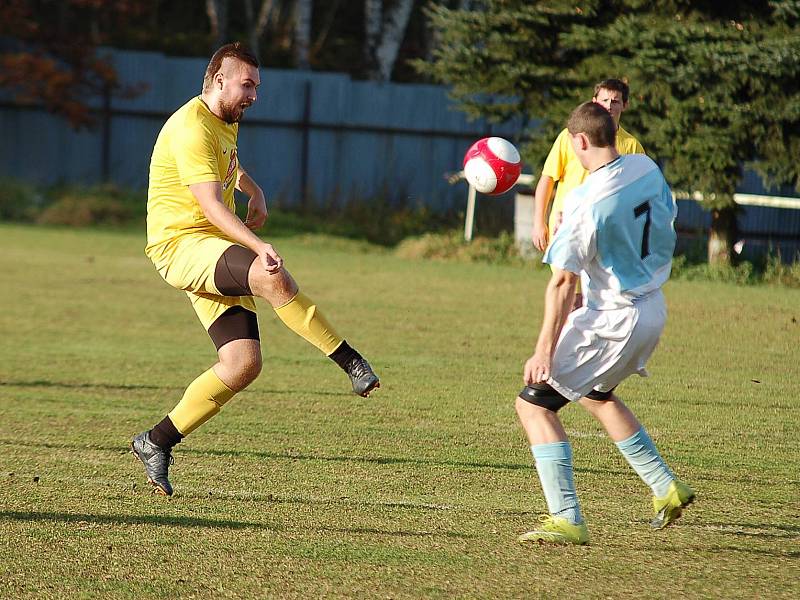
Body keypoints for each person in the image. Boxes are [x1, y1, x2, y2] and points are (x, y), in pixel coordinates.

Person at [130, 43, 379, 496]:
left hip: (209, 245)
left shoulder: (221, 120)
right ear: (219, 81)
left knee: (243, 364)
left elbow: (224, 167)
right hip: (182, 246)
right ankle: (350, 360)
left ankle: (156, 440)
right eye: (248, 85)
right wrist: (258, 244)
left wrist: (253, 187)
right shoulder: (191, 128)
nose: (254, 95)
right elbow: (207, 200)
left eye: (256, 87)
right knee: (270, 273)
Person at [515, 102, 694, 545]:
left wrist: (542, 349)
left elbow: (560, 283)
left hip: (614, 319)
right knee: (597, 395)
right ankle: (665, 486)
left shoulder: (584, 202)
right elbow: (661, 222)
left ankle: (566, 518)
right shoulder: (645, 166)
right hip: (652, 307)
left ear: (578, 141)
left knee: (534, 405)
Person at [532, 79, 646, 308]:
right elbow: (548, 178)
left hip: (606, 232)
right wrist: (538, 222)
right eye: (604, 100)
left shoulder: (632, 146)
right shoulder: (571, 136)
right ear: (594, 102)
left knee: (596, 298)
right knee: (566, 287)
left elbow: (639, 196)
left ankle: (580, 339)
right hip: (567, 226)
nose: (609, 106)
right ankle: (563, 339)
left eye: (615, 101)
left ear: (625, 105)